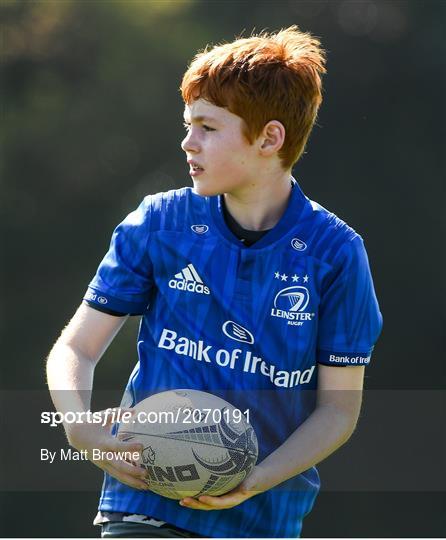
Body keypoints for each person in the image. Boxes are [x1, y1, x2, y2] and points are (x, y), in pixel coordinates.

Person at [46, 26, 383, 538]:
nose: (188, 142)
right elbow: (76, 347)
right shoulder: (160, 223)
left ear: (270, 138)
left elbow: (338, 409)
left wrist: (255, 479)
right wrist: (77, 424)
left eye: (207, 127)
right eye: (188, 124)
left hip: (262, 522)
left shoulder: (336, 253)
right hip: (143, 509)